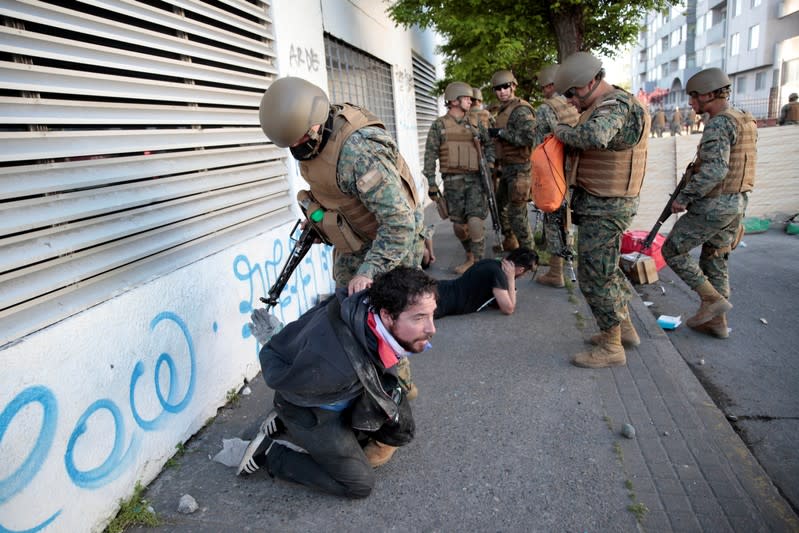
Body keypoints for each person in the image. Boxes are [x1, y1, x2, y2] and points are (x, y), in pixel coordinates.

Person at [258, 76, 426, 397]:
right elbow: (331, 195)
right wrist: (318, 219)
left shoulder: (359, 154)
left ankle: (398, 395)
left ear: (316, 122)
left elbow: (399, 223)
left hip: (391, 242)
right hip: (356, 239)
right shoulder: (313, 141)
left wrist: (369, 272)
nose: (297, 148)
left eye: (299, 139)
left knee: (385, 325)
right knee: (348, 313)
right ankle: (362, 384)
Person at [238, 267, 438, 497]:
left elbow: (308, 328)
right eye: (419, 318)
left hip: (334, 391)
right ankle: (273, 453)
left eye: (432, 314)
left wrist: (283, 339)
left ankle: (286, 424)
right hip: (308, 408)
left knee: (393, 424)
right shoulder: (338, 365)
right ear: (385, 315)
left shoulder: (359, 302)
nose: (432, 329)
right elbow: (285, 379)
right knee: (359, 484)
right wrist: (277, 344)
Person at [553, 51, 650, 369]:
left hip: (607, 206)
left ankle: (611, 347)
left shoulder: (615, 104)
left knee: (594, 276)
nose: (570, 101)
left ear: (590, 82)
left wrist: (561, 133)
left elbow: (594, 136)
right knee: (606, 270)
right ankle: (624, 330)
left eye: (572, 93)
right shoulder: (606, 103)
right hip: (602, 202)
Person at [661, 68, 756, 338]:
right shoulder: (743, 119)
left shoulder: (719, 123)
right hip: (736, 203)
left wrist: (684, 198)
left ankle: (712, 301)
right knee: (714, 259)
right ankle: (717, 323)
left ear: (711, 94)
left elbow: (715, 170)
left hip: (716, 203)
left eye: (695, 97)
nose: (691, 103)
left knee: (672, 251)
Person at [424, 81, 495, 274]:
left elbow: (489, 145)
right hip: (452, 182)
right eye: (466, 98)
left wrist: (489, 165)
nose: (470, 101)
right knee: (459, 226)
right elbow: (430, 154)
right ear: (454, 101)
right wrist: (431, 182)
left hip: (475, 181)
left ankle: (478, 265)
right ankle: (470, 255)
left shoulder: (474, 122)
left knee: (475, 221)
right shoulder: (439, 125)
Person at [532, 64, 580, 288]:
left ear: (549, 85)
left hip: (555, 170)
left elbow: (539, 147)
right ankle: (566, 267)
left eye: (543, 87)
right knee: (568, 220)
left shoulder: (546, 109)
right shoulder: (575, 104)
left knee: (554, 219)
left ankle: (555, 272)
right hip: (577, 170)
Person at [489, 69, 536, 253]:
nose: (502, 91)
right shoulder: (503, 110)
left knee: (517, 214)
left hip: (520, 169)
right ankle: (510, 240)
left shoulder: (520, 110)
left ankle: (529, 253)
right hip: (507, 168)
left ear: (513, 86)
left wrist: (501, 133)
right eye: (498, 88)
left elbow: (529, 137)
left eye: (505, 87)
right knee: (499, 205)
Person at [435, 247, 538, 318]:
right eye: (526, 272)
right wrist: (511, 279)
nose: (524, 275)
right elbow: (508, 309)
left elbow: (495, 302)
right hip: (443, 302)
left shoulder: (491, 263)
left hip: (442, 287)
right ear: (520, 270)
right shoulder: (498, 274)